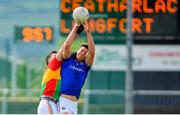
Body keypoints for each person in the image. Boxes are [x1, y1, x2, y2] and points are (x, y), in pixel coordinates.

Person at [59, 20, 95, 114]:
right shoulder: (68, 59)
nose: (82, 52)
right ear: (78, 50)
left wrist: (88, 33)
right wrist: (76, 26)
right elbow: (66, 45)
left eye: (84, 52)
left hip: (74, 104)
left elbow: (92, 52)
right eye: (81, 50)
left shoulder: (85, 66)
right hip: (63, 99)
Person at [37, 48, 63, 114]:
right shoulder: (51, 67)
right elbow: (65, 47)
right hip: (47, 102)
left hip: (53, 103)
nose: (57, 57)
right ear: (49, 61)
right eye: (55, 56)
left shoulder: (59, 71)